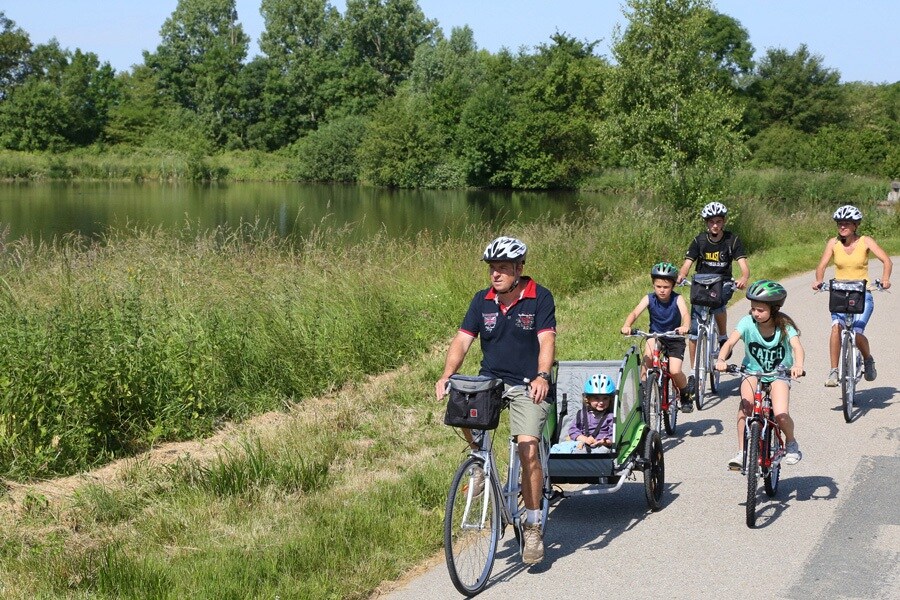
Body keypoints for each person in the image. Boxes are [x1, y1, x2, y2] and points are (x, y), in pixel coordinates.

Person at [435, 236, 556, 565]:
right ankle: (478, 462)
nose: (495, 275)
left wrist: (543, 376)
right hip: (491, 380)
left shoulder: (539, 298)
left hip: (528, 383)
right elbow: (462, 341)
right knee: (460, 405)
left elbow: (546, 342)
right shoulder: (482, 301)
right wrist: (447, 375)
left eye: (502, 268)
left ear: (519, 269)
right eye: (492, 269)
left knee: (527, 446)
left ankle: (532, 525)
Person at [715, 280, 805, 469]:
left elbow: (797, 347)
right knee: (746, 407)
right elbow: (730, 342)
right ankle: (741, 452)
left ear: (774, 309)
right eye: (753, 308)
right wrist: (721, 360)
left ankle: (791, 444)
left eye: (761, 310)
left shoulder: (784, 326)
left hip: (778, 373)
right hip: (752, 371)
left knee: (780, 414)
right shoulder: (747, 322)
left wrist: (798, 365)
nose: (756, 313)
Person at [812, 205, 892, 386]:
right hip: (839, 293)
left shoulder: (866, 241)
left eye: (847, 223)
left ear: (855, 225)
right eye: (840, 223)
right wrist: (818, 280)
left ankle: (868, 359)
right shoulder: (833, 243)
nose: (842, 227)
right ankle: (833, 371)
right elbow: (822, 265)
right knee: (835, 328)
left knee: (856, 333)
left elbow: (887, 261)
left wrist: (885, 279)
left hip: (862, 294)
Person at [677, 201, 750, 390]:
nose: (715, 226)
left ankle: (722, 336)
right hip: (701, 283)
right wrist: (682, 274)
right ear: (706, 223)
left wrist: (743, 277)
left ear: (724, 222)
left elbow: (743, 265)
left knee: (718, 303)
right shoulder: (699, 241)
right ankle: (694, 371)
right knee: (693, 331)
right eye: (711, 222)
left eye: (718, 221)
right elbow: (688, 263)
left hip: (722, 282)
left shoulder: (731, 240)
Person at [620, 262, 693, 412]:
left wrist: (685, 326)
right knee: (646, 361)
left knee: (674, 370)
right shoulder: (648, 298)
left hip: (674, 337)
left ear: (672, 286)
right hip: (656, 335)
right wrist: (627, 325)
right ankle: (644, 394)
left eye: (666, 287)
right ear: (653, 285)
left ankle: (685, 393)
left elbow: (685, 314)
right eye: (658, 286)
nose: (662, 290)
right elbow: (634, 313)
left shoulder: (677, 299)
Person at [568, 374, 616, 451]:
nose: (601, 402)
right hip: (583, 444)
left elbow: (613, 435)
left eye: (605, 398)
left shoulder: (611, 416)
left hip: (602, 445)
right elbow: (573, 430)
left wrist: (605, 442)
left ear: (610, 399)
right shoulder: (582, 414)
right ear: (588, 399)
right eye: (596, 398)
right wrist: (584, 439)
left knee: (603, 450)